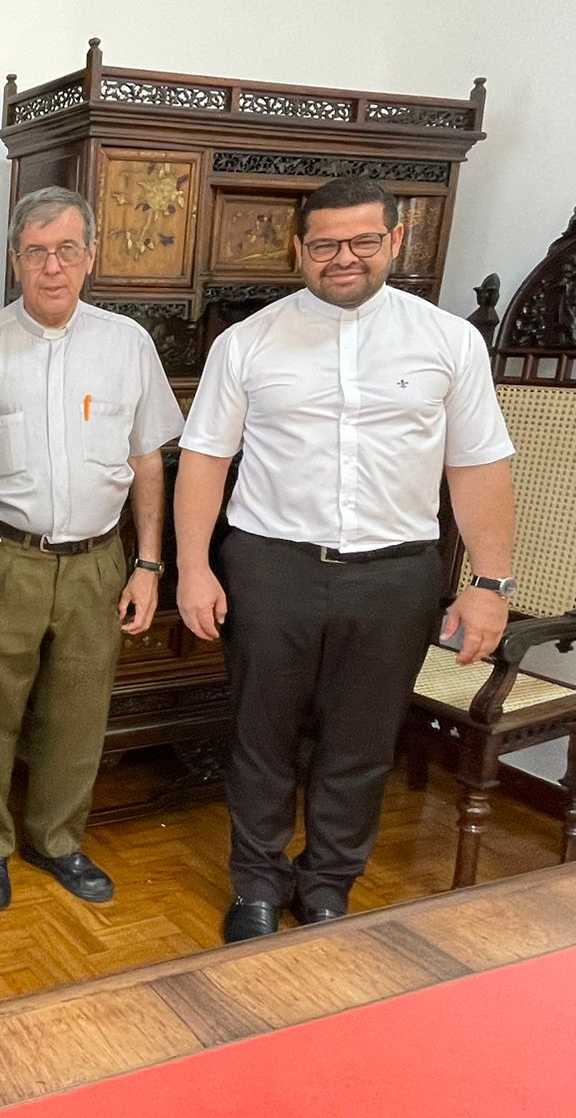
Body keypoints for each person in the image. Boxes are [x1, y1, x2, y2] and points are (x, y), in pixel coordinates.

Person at [174, 176, 516, 943]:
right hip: (271, 568)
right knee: (259, 737)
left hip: (395, 575)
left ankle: (329, 885)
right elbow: (204, 459)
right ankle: (257, 885)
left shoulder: (448, 342)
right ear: (300, 249)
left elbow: (479, 466)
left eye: (363, 241)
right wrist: (194, 566)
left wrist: (490, 584)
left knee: (361, 744)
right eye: (325, 244)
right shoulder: (249, 341)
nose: (344, 258)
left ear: (394, 241)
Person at [0, 187, 184, 912]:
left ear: (91, 255)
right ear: (15, 259)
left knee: (79, 712)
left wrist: (149, 565)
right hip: (3, 558)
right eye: (36, 252)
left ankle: (56, 839)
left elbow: (147, 461)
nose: (52, 267)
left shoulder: (127, 343)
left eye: (67, 250)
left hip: (98, 563)